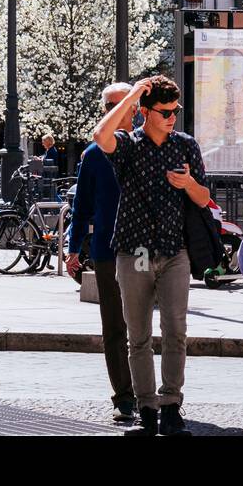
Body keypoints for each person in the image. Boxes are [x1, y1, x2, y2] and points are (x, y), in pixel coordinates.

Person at [93, 75, 211, 437]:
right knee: (138, 335)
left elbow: (205, 198)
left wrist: (188, 184)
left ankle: (171, 405)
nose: (172, 117)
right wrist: (130, 96)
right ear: (145, 112)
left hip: (174, 252)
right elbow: (100, 136)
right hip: (136, 251)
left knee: (176, 331)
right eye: (164, 111)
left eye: (175, 110)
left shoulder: (186, 146)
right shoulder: (129, 145)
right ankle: (146, 409)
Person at [68, 82, 136, 424]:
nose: (114, 110)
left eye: (121, 104)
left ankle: (150, 394)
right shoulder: (93, 155)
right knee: (114, 326)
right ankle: (124, 396)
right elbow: (82, 207)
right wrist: (72, 249)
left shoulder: (145, 147)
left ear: (134, 108)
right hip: (107, 250)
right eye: (109, 105)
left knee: (142, 327)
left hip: (143, 250)